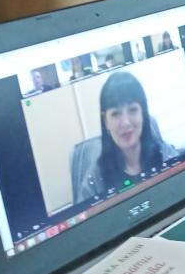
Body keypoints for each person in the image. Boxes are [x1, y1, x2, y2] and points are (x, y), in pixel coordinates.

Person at [72, 71, 177, 203]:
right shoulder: (95, 178)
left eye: (132, 110)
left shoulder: (165, 155)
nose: (125, 122)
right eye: (116, 114)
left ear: (143, 114)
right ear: (105, 121)